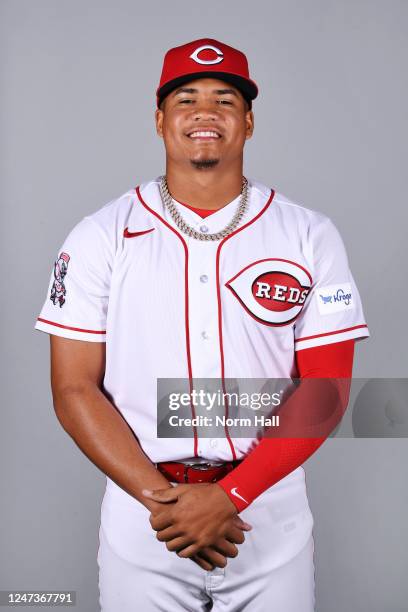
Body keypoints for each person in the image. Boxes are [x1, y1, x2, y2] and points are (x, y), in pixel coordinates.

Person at [34, 38, 370, 611]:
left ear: (249, 121)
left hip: (267, 502)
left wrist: (232, 495)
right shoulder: (99, 235)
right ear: (160, 118)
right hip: (145, 508)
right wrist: (162, 501)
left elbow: (328, 390)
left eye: (226, 99)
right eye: (186, 99)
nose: (206, 112)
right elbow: (72, 389)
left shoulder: (310, 235)